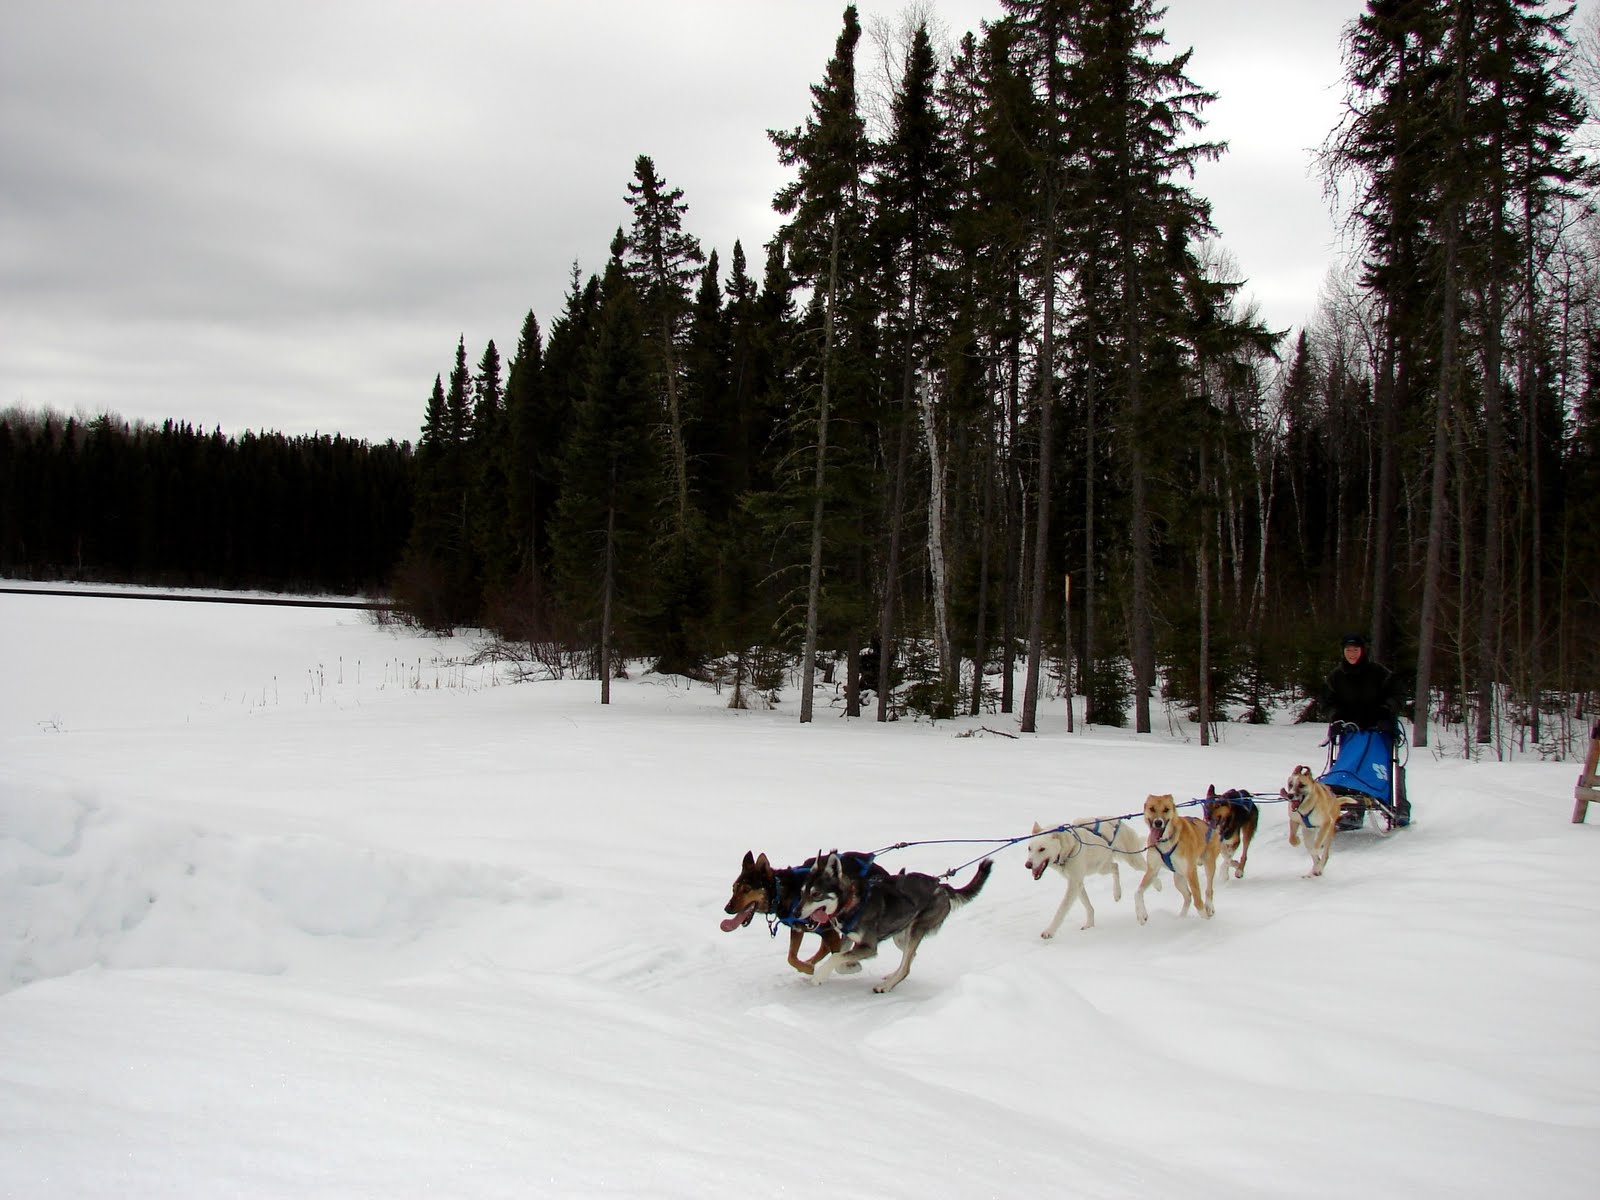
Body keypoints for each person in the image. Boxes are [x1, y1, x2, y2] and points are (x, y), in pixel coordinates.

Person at [1323, 633, 1399, 730]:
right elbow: (1326, 702)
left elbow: (1398, 694)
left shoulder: (1380, 672)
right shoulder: (1335, 676)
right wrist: (1335, 716)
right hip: (1348, 731)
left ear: (1362, 650)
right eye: (1348, 650)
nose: (1352, 654)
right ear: (1343, 651)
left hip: (1380, 730)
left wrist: (1386, 710)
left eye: (1355, 650)